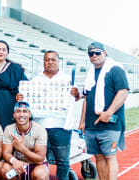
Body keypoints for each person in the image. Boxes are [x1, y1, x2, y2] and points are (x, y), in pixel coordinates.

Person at [17, 50, 80, 180]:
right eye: (47, 60)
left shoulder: (68, 80)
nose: (50, 62)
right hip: (40, 127)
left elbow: (76, 98)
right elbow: (26, 102)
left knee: (62, 161)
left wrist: (76, 94)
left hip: (61, 126)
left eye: (53, 59)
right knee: (37, 159)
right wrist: (21, 97)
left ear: (58, 61)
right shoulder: (36, 80)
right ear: (43, 62)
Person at [79, 42, 129, 180]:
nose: (94, 56)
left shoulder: (115, 69)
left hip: (110, 123)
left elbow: (123, 92)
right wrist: (82, 121)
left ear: (104, 53)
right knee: (98, 157)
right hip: (91, 124)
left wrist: (109, 112)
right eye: (91, 53)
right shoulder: (90, 74)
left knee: (110, 156)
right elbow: (86, 98)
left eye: (97, 52)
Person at [1, 101, 49, 180]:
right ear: (14, 115)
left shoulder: (40, 130)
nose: (21, 114)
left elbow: (40, 160)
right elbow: (6, 153)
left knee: (41, 174)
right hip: (18, 163)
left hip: (36, 165)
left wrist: (22, 149)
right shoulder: (9, 129)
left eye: (25, 111)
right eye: (18, 111)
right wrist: (14, 161)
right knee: (5, 169)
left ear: (30, 115)